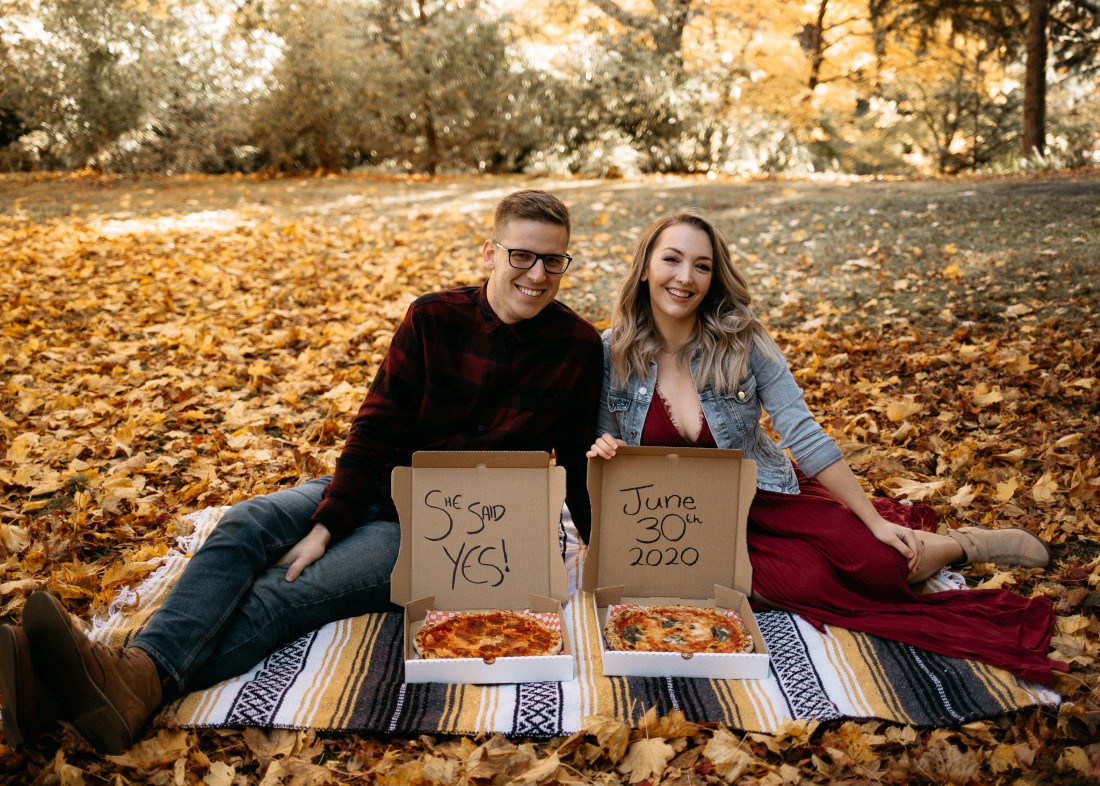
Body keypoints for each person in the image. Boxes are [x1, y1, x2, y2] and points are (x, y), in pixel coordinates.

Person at [0, 189, 603, 753]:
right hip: (382, 482)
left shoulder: (576, 345)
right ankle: (105, 683)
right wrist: (328, 519)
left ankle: (107, 681)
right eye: (523, 256)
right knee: (245, 524)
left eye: (554, 262)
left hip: (461, 530)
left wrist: (601, 552)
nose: (537, 275)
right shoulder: (433, 318)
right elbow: (378, 424)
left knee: (288, 589)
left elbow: (576, 458)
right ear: (491, 253)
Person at [587, 209, 1068, 686]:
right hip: (677, 521)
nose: (685, 278)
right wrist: (604, 450)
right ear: (646, 265)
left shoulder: (743, 342)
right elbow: (606, 448)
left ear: (714, 278)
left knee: (879, 564)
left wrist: (873, 520)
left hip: (763, 499)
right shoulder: (612, 353)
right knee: (798, 584)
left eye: (702, 266)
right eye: (672, 259)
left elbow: (803, 433)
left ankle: (958, 546)